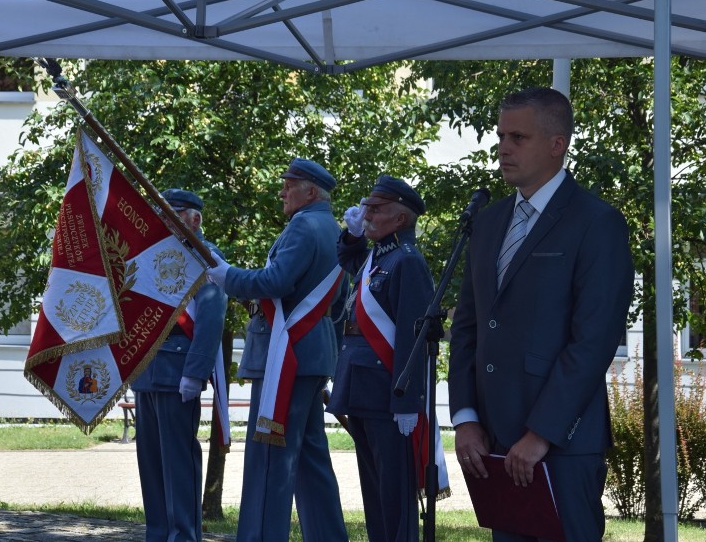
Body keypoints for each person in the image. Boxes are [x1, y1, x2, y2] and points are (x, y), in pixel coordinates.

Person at [448, 87, 634, 541]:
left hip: (561, 446)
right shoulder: (488, 222)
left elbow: (593, 341)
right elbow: (469, 326)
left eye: (518, 137)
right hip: (493, 442)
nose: (503, 148)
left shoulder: (596, 223)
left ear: (557, 144)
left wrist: (541, 435)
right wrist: (466, 417)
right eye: (500, 136)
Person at [207, 157, 348, 542]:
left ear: (311, 191)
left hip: (284, 356)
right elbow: (340, 299)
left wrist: (228, 277)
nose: (282, 191)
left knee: (270, 461)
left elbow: (277, 281)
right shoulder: (333, 229)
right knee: (310, 461)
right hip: (310, 353)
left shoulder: (303, 226)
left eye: (289, 184)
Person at [327, 175, 447, 542]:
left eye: (376, 210)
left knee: (394, 496)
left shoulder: (406, 263)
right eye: (366, 208)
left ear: (400, 220)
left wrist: (407, 400)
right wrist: (352, 233)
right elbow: (347, 255)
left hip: (386, 395)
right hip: (362, 386)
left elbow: (412, 337)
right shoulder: (376, 256)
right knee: (375, 491)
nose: (367, 215)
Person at [131, 188, 227, 542]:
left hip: (177, 372)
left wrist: (195, 372)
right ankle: (158, 534)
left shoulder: (206, 257)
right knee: (152, 468)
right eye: (159, 211)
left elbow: (211, 320)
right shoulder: (156, 254)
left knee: (178, 466)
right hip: (147, 371)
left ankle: (183, 536)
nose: (160, 218)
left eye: (170, 213)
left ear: (193, 219)